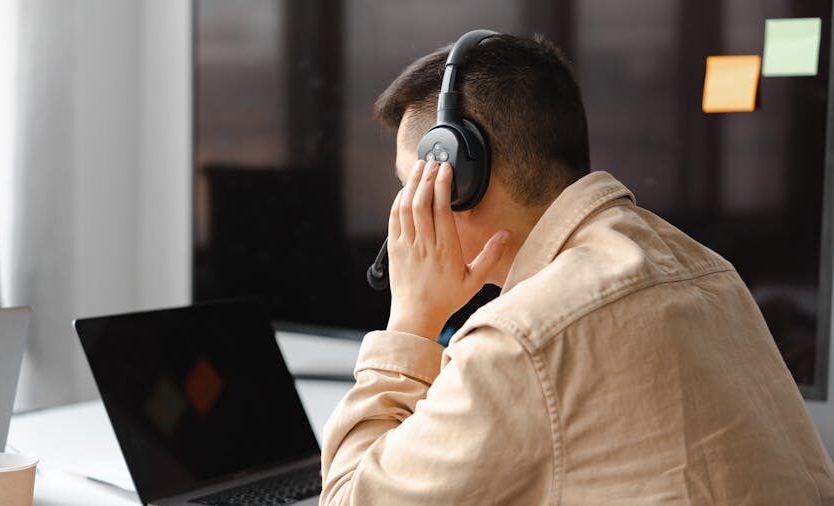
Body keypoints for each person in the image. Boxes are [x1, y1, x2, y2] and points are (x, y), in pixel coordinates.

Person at [320, 33, 834, 505]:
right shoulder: (708, 271)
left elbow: (347, 498)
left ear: (460, 180)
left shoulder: (521, 340)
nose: (404, 214)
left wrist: (410, 321)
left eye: (412, 186)